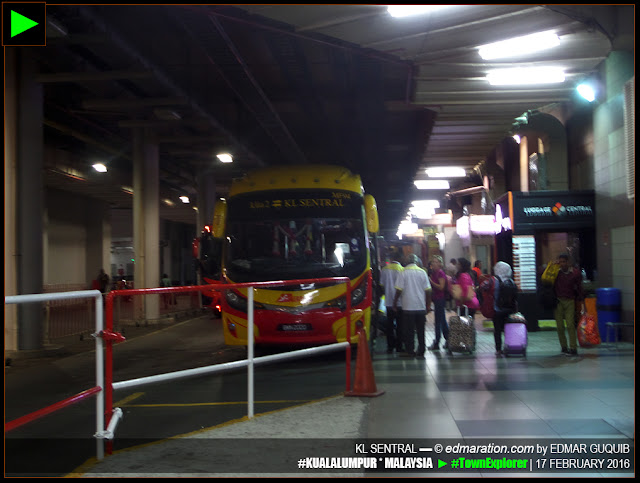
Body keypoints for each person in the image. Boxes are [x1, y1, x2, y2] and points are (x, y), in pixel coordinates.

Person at [392, 254, 431, 357]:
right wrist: (428, 305)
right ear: (416, 262)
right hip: (420, 306)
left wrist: (395, 302)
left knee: (409, 330)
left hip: (408, 306)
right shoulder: (422, 272)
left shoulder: (403, 272)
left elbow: (398, 290)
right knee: (420, 330)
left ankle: (410, 350)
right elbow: (428, 290)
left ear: (406, 262)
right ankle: (421, 349)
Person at [553, 253, 585, 356]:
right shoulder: (556, 272)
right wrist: (552, 265)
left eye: (564, 261)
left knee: (570, 324)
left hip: (570, 300)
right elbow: (542, 275)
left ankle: (573, 347)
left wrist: (581, 300)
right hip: (558, 300)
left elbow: (579, 287)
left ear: (568, 262)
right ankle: (564, 347)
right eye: (560, 261)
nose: (562, 264)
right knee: (559, 326)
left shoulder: (575, 273)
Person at [379, 251, 404, 353]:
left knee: (389, 325)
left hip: (388, 302)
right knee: (400, 325)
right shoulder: (402, 270)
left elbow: (381, 285)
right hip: (400, 302)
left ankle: (390, 347)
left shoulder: (384, 269)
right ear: (400, 259)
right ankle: (399, 346)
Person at [492, 261, 517, 356]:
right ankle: (509, 346)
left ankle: (498, 349)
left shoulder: (495, 280)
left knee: (497, 330)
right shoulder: (511, 282)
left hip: (497, 309)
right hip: (510, 310)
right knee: (508, 329)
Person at [427, 255, 449, 351]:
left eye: (436, 262)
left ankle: (437, 341)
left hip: (440, 299)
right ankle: (448, 339)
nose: (433, 264)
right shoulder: (434, 273)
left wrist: (431, 282)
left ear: (440, 263)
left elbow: (441, 287)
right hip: (436, 299)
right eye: (433, 262)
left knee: (438, 321)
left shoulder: (440, 273)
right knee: (442, 320)